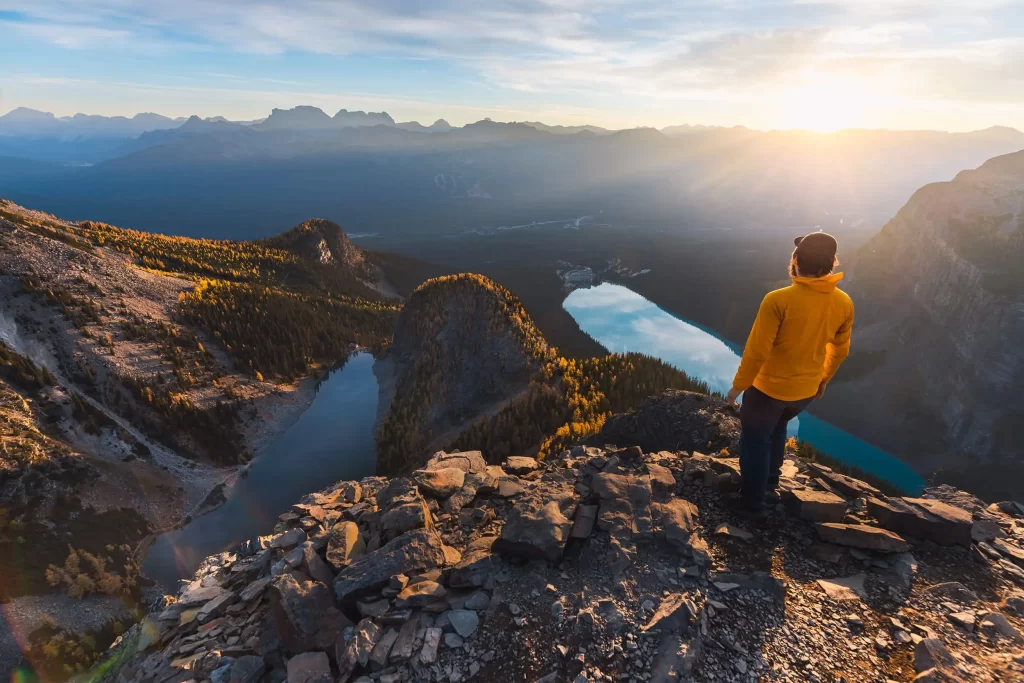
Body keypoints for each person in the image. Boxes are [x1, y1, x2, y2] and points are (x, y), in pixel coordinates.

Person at [725, 232, 854, 516]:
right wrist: (821, 381)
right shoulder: (844, 302)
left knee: (755, 441)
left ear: (795, 261)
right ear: (832, 263)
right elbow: (839, 351)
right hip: (804, 392)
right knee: (779, 428)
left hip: (767, 391)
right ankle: (770, 483)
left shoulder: (778, 299)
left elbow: (757, 351)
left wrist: (737, 388)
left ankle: (752, 502)